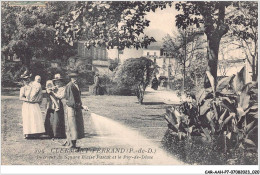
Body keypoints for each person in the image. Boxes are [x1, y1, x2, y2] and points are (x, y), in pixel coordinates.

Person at [63, 70, 88, 148]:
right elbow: (71, 100)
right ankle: (71, 145)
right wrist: (82, 106)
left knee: (76, 125)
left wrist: (80, 105)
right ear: (70, 78)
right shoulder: (70, 86)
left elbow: (77, 98)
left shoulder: (76, 85)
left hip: (75, 107)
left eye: (76, 77)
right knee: (72, 126)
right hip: (71, 108)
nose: (75, 79)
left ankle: (72, 144)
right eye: (73, 77)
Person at [19, 71, 45, 139]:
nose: (27, 80)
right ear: (23, 80)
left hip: (34, 104)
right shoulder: (23, 88)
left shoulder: (34, 86)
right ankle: (28, 133)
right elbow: (21, 97)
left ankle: (36, 132)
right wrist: (28, 100)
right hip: (27, 104)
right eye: (25, 79)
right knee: (27, 118)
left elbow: (39, 94)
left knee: (35, 118)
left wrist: (37, 100)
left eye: (28, 79)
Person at [44, 74, 66, 139]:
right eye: (56, 82)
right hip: (51, 105)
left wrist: (53, 93)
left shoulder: (63, 89)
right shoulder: (54, 88)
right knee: (51, 118)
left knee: (57, 119)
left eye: (59, 82)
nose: (57, 83)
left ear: (61, 82)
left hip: (59, 104)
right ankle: (49, 133)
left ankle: (58, 134)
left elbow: (61, 96)